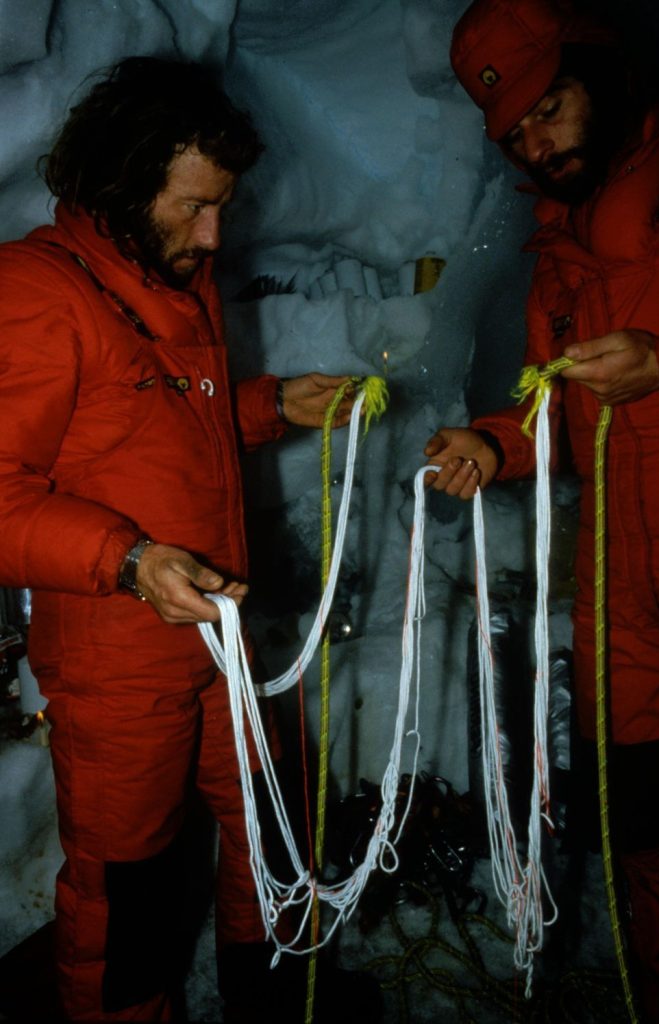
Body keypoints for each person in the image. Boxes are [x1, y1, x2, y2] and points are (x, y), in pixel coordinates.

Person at [0, 56, 379, 1023]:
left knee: (271, 827)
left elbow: (154, 425)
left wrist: (267, 406)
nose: (213, 234)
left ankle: (273, 1005)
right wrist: (127, 561)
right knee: (129, 893)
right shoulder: (37, 293)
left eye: (223, 206)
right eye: (192, 206)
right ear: (124, 181)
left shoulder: (179, 275)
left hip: (222, 637)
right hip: (121, 660)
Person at [425, 0, 659, 1019]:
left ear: (599, 74)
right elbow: (558, 411)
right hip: (626, 590)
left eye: (551, 108)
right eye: (516, 133)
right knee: (651, 820)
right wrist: (495, 441)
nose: (536, 143)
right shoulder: (557, 258)